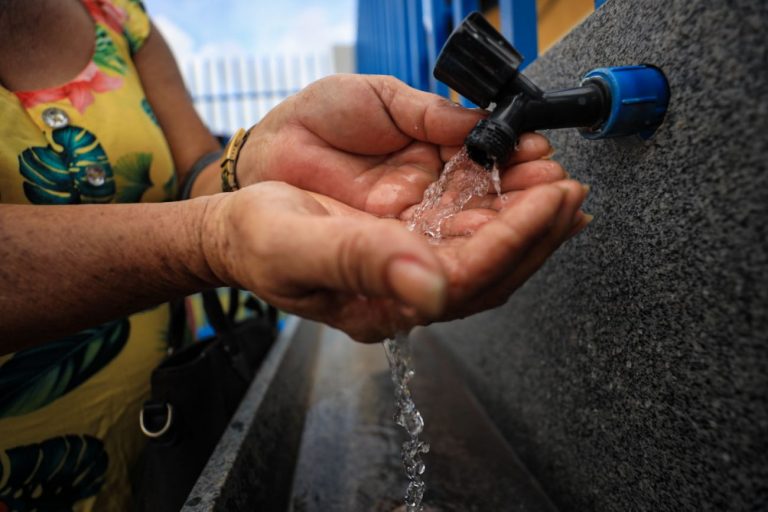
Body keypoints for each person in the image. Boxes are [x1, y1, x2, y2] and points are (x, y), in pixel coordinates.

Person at [0, 0, 590, 510]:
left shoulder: (119, 17)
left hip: (166, 424)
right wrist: (211, 239)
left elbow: (194, 173)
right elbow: (202, 220)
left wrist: (254, 158)